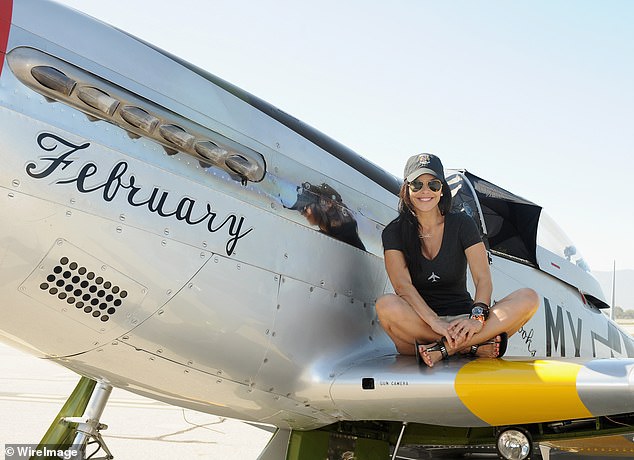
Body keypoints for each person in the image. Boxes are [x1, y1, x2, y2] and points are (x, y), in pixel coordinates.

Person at [375, 153, 539, 367]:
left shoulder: (462, 223)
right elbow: (402, 286)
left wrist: (476, 319)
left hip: (463, 319)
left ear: (442, 189)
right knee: (385, 305)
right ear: (407, 189)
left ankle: (445, 349)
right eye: (417, 184)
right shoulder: (393, 232)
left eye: (433, 184)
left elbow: (482, 279)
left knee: (529, 298)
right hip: (421, 325)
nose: (426, 191)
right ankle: (472, 347)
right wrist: (434, 322)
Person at [287, 182, 366, 251]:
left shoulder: (341, 239)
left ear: (323, 206)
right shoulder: (328, 234)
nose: (302, 213)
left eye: (304, 208)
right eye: (301, 209)